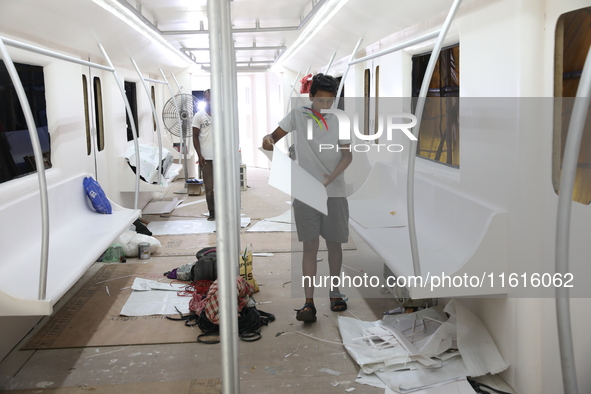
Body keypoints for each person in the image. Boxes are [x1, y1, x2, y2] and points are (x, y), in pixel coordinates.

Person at [262, 74, 352, 323]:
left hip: (334, 192)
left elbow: (347, 157)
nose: (325, 105)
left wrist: (329, 179)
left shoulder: (339, 121)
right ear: (311, 97)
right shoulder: (298, 116)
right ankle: (308, 303)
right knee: (309, 247)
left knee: (335, 244)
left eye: (330, 101)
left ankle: (335, 294)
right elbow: (271, 138)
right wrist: (268, 141)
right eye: (320, 100)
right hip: (305, 192)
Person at [192, 89, 215, 221]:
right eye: (207, 99)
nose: (209, 101)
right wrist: (199, 155)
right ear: (204, 100)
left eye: (211, 99)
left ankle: (224, 211)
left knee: (224, 187)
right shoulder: (199, 116)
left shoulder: (222, 114)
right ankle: (212, 212)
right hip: (206, 158)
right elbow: (195, 136)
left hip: (221, 157)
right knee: (209, 187)